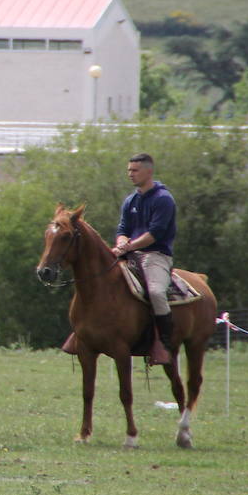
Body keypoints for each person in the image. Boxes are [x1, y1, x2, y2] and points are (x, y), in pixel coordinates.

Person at [112, 152, 177, 365]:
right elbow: (123, 228)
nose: (130, 174)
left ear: (149, 172)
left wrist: (128, 245)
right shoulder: (130, 200)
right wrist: (122, 242)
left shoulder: (163, 199)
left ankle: (164, 343)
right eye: (129, 170)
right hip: (130, 253)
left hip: (156, 255)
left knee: (157, 293)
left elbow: (155, 234)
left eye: (135, 170)